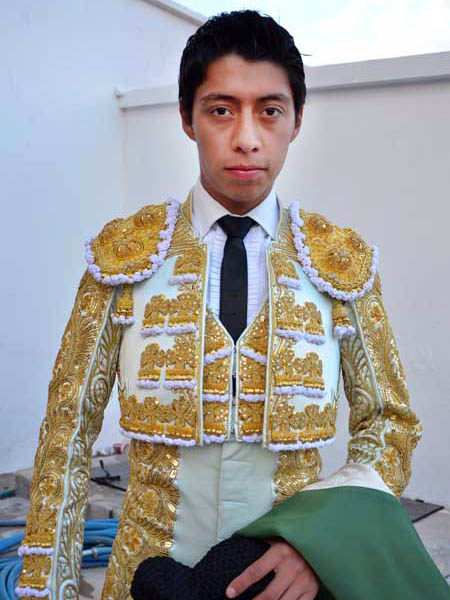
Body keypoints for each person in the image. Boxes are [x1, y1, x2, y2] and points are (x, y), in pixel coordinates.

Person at [17, 9, 446, 600]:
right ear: (187, 119)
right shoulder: (123, 258)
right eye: (221, 110)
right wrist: (49, 589)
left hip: (284, 583)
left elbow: (390, 424)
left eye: (269, 111)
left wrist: (318, 540)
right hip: (148, 577)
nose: (246, 137)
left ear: (296, 121)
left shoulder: (339, 264)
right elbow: (66, 435)